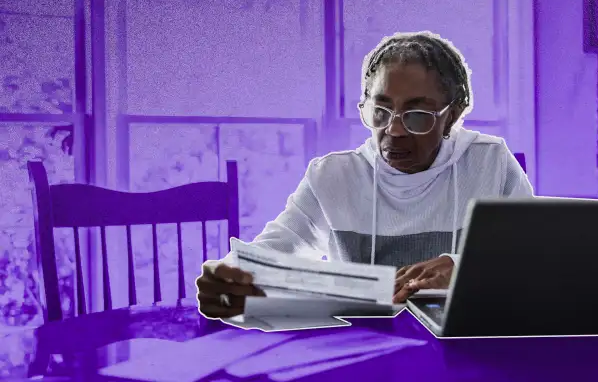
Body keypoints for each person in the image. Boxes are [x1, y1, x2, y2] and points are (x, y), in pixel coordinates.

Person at [196, 31, 534, 319]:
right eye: (381, 110)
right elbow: (275, 253)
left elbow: (533, 262)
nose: (395, 130)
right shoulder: (332, 176)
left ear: (453, 115)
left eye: (417, 115)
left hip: (460, 349)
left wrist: (464, 268)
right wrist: (230, 277)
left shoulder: (489, 163)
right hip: (365, 350)